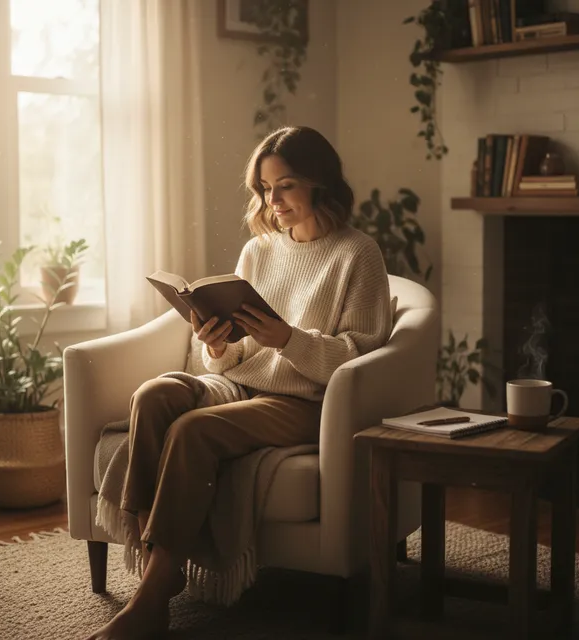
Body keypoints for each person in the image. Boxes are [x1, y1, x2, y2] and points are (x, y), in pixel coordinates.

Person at [85, 125, 393, 640]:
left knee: (193, 432)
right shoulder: (259, 251)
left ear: (319, 183)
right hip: (243, 384)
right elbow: (233, 358)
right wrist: (217, 344)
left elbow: (359, 355)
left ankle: (153, 597)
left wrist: (288, 339)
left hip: (307, 399)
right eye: (265, 189)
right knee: (153, 395)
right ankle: (157, 553)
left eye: (286, 185)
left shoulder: (358, 254)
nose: (273, 201)